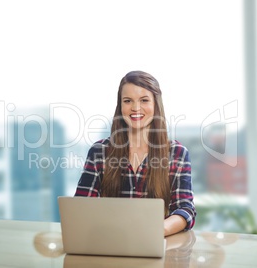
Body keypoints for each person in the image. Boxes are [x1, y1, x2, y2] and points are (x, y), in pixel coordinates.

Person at [74, 70, 196, 236]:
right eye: (127, 101)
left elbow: (185, 210)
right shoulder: (99, 151)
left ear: (156, 105)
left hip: (156, 245)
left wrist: (157, 230)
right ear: (120, 106)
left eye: (144, 100)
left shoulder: (177, 153)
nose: (135, 108)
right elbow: (81, 208)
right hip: (108, 243)